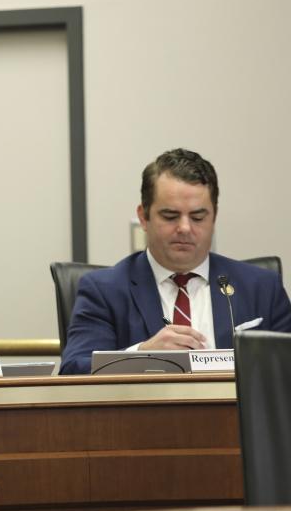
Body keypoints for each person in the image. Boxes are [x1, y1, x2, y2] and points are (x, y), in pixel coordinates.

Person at [60, 148, 291, 374]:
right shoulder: (104, 291)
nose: (184, 228)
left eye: (198, 217)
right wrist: (142, 355)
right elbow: (73, 369)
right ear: (144, 216)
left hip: (236, 412)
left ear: (214, 217)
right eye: (170, 216)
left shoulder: (262, 287)